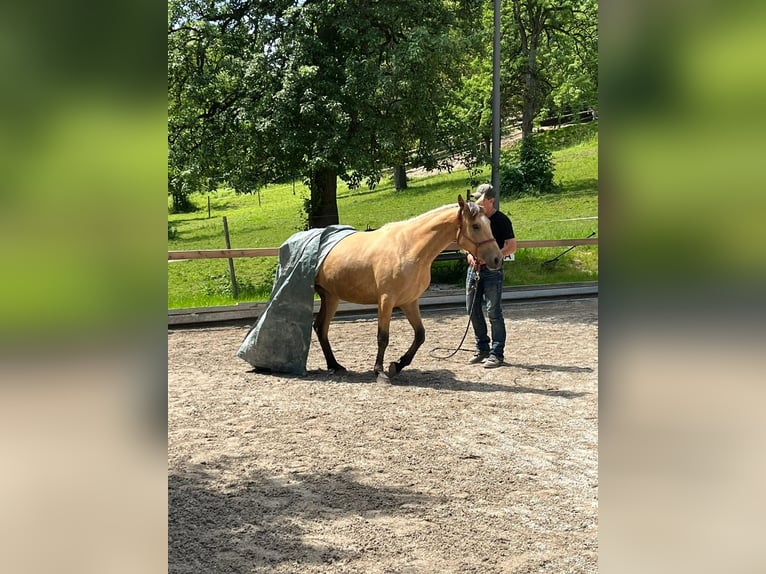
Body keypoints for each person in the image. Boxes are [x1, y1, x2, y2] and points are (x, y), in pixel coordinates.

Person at [465, 184, 516, 368]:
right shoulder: (475, 218)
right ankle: (482, 348)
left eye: (481, 199)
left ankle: (497, 353)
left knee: (494, 311)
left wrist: (491, 258)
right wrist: (469, 255)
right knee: (472, 309)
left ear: (490, 200)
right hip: (474, 269)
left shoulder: (501, 220)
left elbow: (511, 246)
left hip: (492, 271)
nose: (477, 202)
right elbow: (467, 243)